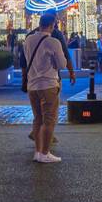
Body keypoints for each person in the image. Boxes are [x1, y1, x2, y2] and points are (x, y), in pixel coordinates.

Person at [23, 13, 72, 163]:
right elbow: (62, 64)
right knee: (49, 120)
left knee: (37, 119)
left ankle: (38, 152)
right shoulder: (53, 42)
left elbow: (25, 62)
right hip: (48, 85)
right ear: (52, 25)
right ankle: (45, 153)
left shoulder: (28, 40)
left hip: (32, 86)